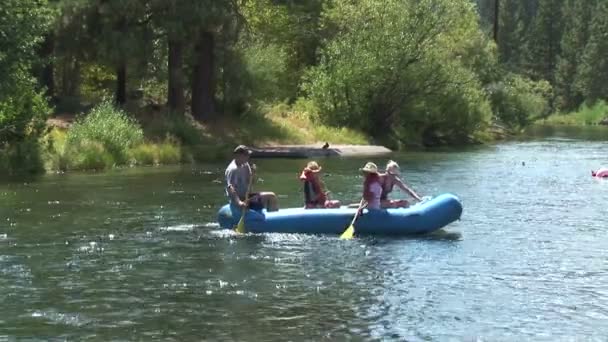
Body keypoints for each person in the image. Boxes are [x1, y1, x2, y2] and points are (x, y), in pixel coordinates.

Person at [225, 145, 278, 211]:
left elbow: (252, 182)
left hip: (248, 196)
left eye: (248, 155)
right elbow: (230, 188)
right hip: (239, 199)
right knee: (271, 196)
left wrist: (253, 173)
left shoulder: (245, 164)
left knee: (271, 196)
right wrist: (239, 203)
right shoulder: (233, 169)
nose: (248, 157)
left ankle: (268, 216)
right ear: (238, 155)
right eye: (246, 155)